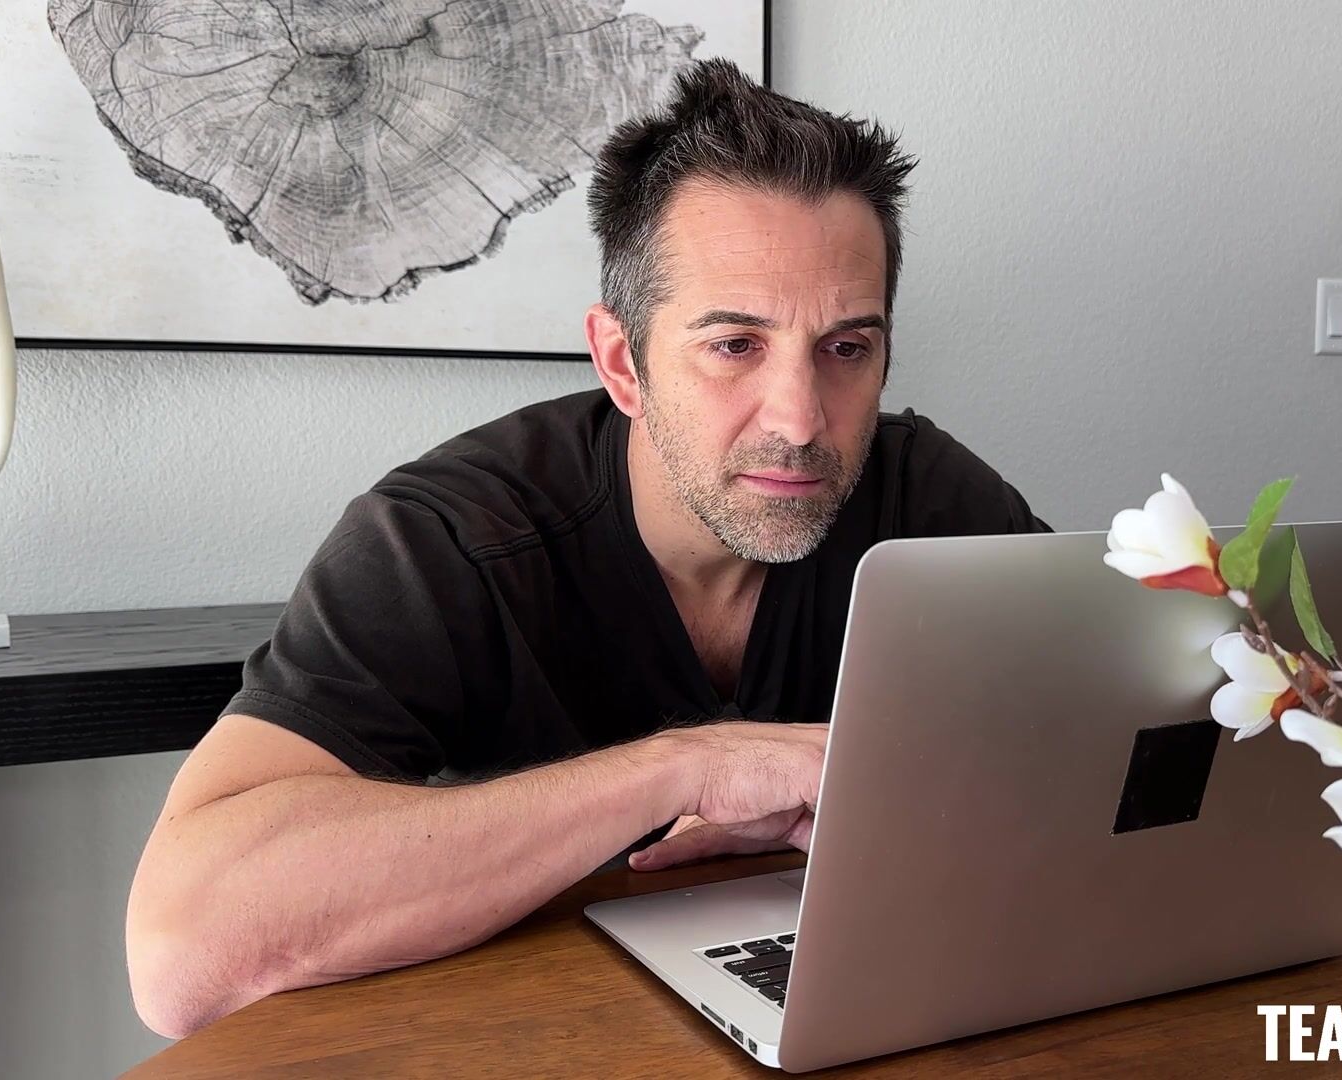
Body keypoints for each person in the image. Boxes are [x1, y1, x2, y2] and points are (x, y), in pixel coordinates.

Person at [124, 58, 1045, 1039]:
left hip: (854, 1014)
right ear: (622, 361)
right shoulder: (448, 539)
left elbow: (1110, 751)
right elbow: (181, 955)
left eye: (847, 349)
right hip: (516, 1041)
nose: (801, 419)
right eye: (734, 345)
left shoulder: (924, 494)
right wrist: (690, 766)